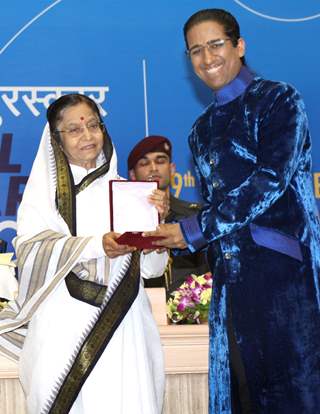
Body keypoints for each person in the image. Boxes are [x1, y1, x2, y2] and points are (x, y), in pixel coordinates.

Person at [143, 8, 320, 414]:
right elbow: (218, 205)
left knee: (291, 395)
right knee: (241, 395)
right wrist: (171, 219)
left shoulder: (279, 99)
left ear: (239, 45)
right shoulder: (200, 129)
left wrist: (191, 229)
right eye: (196, 51)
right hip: (229, 284)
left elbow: (269, 182)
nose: (207, 58)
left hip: (281, 279)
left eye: (216, 45)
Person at [0, 94, 168, 414]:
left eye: (93, 125)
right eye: (75, 130)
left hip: (125, 329)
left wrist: (157, 229)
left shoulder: (126, 190)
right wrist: (97, 245)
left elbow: (151, 269)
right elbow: (32, 253)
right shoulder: (44, 200)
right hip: (63, 335)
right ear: (56, 141)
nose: (88, 135)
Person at [127, 135, 209, 295]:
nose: (153, 168)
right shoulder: (123, 221)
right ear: (132, 175)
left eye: (160, 161)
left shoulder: (196, 215)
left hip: (192, 311)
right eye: (144, 163)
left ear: (172, 169)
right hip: (142, 310)